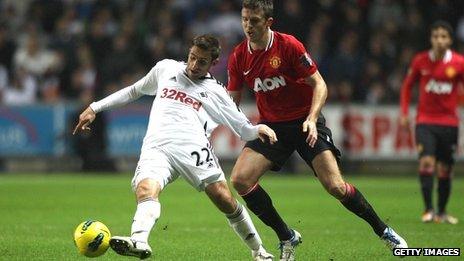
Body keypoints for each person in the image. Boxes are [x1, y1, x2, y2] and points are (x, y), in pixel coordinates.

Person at [227, 1, 407, 260]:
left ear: (268, 22)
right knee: (240, 180)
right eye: (244, 19)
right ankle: (286, 235)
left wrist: (312, 118)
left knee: (335, 186)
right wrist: (239, 125)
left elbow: (319, 84)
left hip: (304, 122)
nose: (248, 26)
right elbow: (231, 102)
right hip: (272, 127)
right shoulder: (238, 56)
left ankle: (385, 231)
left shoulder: (288, 45)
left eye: (254, 21)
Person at [73, 34, 275, 260]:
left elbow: (243, 128)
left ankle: (259, 251)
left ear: (213, 63)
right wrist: (94, 107)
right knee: (145, 189)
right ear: (188, 53)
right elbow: (134, 90)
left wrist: (260, 129)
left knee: (224, 199)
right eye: (192, 57)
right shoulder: (165, 68)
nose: (194, 65)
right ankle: (139, 240)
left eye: (202, 61)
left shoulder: (217, 92)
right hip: (156, 147)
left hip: (193, 147)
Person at [400, 21, 463, 225]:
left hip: (449, 123)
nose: (439, 40)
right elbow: (407, 87)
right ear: (431, 39)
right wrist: (404, 112)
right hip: (425, 121)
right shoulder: (420, 61)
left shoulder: (459, 63)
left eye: (443, 36)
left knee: (445, 169)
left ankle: (442, 212)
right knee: (427, 162)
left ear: (450, 40)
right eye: (436, 36)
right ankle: (428, 210)